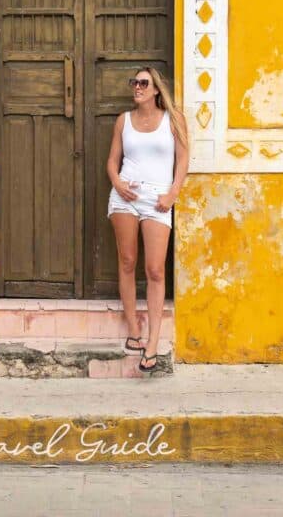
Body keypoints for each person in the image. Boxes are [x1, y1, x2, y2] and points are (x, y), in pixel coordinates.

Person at [106, 66, 189, 373]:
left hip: (158, 198)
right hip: (125, 196)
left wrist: (172, 194)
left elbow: (183, 160)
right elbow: (112, 161)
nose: (137, 87)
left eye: (143, 83)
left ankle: (153, 341)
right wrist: (117, 183)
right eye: (135, 83)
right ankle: (133, 331)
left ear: (156, 90)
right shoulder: (123, 121)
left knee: (154, 269)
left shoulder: (173, 119)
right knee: (127, 261)